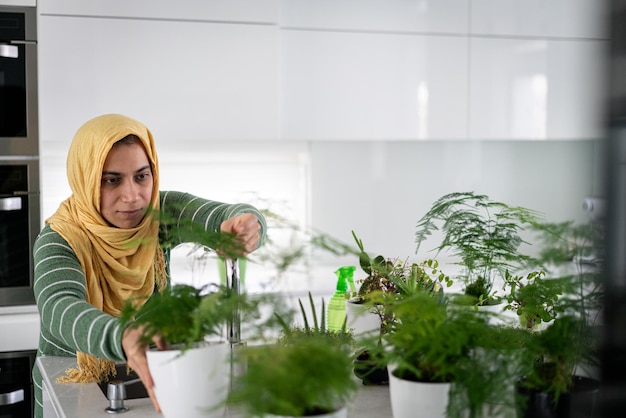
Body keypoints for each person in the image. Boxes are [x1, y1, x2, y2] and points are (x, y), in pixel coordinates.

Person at [31, 113, 266, 418]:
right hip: (68, 387)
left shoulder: (158, 215)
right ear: (85, 178)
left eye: (142, 176)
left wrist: (247, 224)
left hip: (151, 378)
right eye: (111, 180)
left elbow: (223, 215)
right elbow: (59, 306)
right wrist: (122, 335)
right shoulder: (59, 239)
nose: (132, 196)